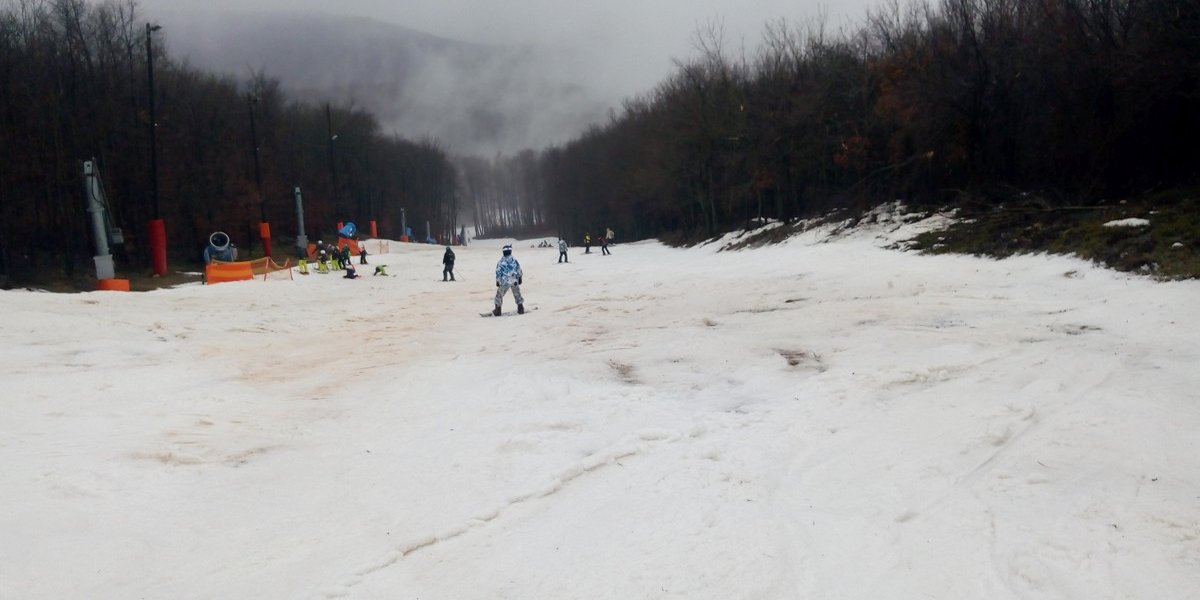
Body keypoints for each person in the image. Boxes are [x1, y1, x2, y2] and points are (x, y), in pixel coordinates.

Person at [493, 244, 524, 316]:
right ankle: (520, 308)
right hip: (514, 280)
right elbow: (518, 269)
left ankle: (498, 310)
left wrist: (497, 281)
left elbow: (498, 272)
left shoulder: (501, 262)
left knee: (499, 295)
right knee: (517, 294)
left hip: (504, 281)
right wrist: (520, 277)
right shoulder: (514, 260)